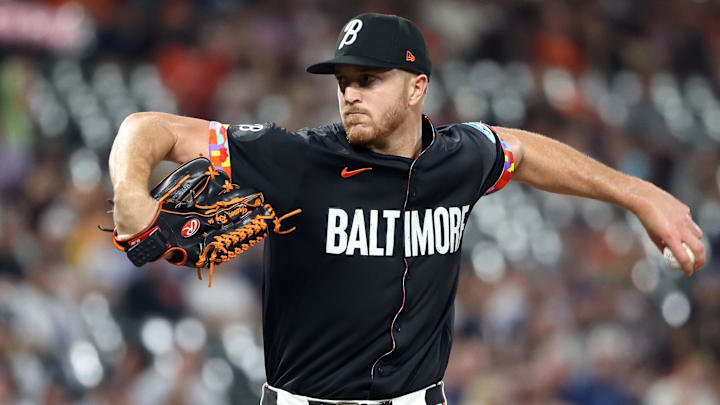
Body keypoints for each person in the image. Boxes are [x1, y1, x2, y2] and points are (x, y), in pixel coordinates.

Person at [108, 12, 706, 405]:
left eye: (369, 79)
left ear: (417, 88)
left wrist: (639, 194)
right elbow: (148, 128)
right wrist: (132, 193)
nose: (350, 93)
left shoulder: (459, 159)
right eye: (344, 80)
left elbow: (523, 152)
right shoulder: (295, 161)